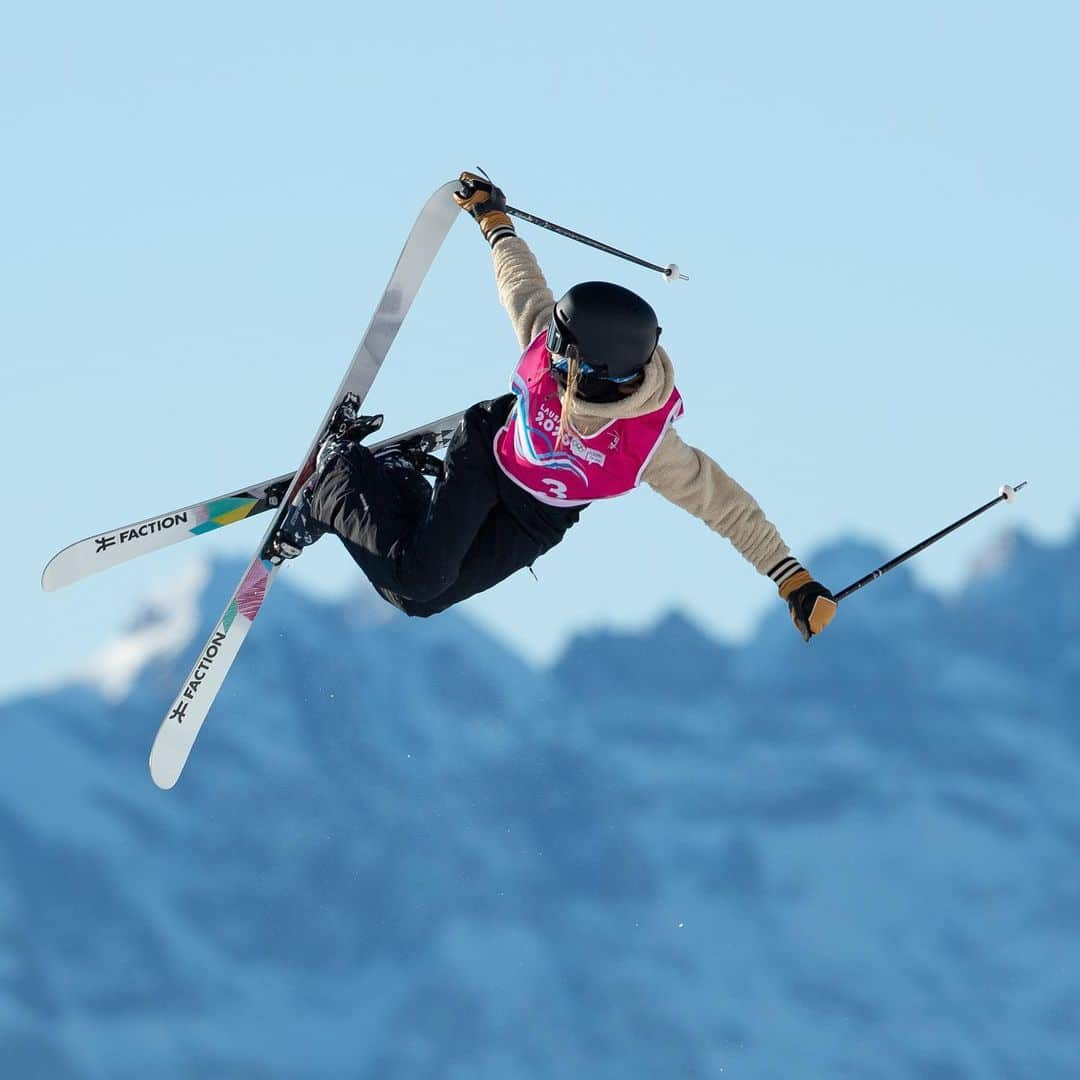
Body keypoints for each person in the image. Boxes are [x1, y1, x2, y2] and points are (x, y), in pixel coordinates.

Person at [275, 171, 837, 643]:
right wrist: (494, 222)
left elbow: (728, 507)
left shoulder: (648, 444)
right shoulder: (552, 344)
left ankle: (390, 485)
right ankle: (338, 478)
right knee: (421, 578)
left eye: (567, 361)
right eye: (557, 350)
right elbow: (522, 285)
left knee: (417, 600)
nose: (553, 360)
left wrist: (792, 579)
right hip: (488, 458)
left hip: (539, 518)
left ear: (604, 376)